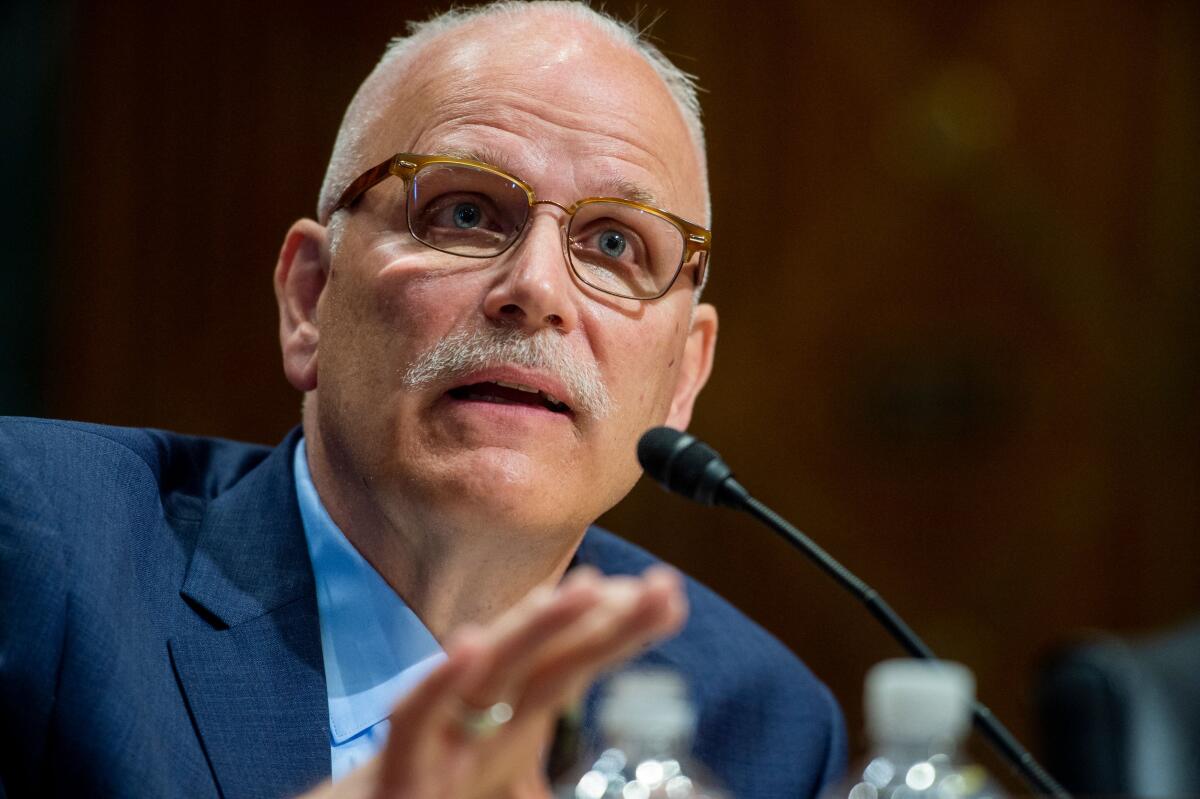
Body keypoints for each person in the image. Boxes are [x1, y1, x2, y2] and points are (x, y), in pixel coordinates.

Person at [0, 3, 845, 797]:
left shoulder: (759, 727)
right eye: (466, 212)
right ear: (309, 300)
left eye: (616, 242)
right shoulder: (41, 552)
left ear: (683, 376)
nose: (538, 287)